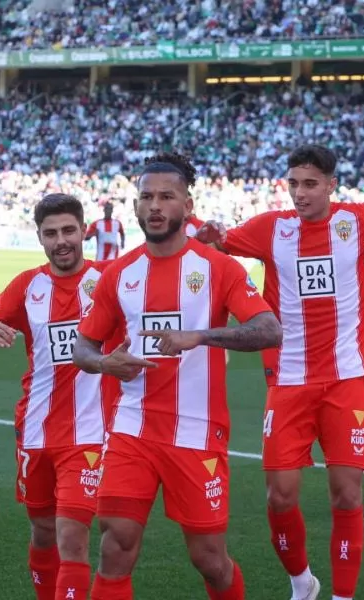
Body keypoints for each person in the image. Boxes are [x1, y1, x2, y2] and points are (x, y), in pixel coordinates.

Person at [197, 144, 364, 600]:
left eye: (311, 184)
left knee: (346, 495)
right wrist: (208, 235)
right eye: (293, 183)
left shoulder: (359, 220)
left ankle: (342, 597)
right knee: (279, 496)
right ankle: (302, 583)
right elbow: (214, 246)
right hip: (289, 380)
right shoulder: (270, 229)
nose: (300, 193)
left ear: (332, 185)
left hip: (347, 378)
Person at [72, 152, 282, 600]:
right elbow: (82, 347)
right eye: (146, 196)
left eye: (167, 196)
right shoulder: (119, 274)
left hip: (197, 431)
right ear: (135, 205)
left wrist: (200, 336)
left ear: (188, 206)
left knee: (210, 560)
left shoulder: (218, 268)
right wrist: (104, 363)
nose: (155, 205)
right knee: (115, 546)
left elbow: (269, 330)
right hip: (132, 429)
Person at [0, 193, 120, 600]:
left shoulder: (109, 279)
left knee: (72, 537)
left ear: (83, 231)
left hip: (89, 432)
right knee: (43, 531)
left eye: (68, 230)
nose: (61, 241)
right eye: (51, 234)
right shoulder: (27, 285)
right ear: (39, 237)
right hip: (35, 430)